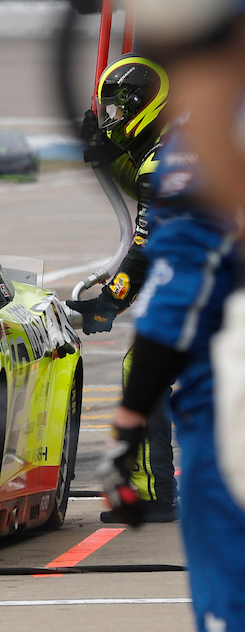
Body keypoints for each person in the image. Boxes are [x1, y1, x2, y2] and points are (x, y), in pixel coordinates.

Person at [99, 125, 244, 631]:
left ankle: (155, 487)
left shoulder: (200, 147)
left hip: (228, 417)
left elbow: (173, 305)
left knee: (229, 595)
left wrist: (124, 433)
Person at [65, 54, 178, 522]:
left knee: (144, 369)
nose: (111, 119)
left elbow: (146, 247)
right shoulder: (173, 144)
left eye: (116, 110)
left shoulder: (168, 160)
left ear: (141, 105)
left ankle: (154, 494)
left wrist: (108, 304)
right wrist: (106, 155)